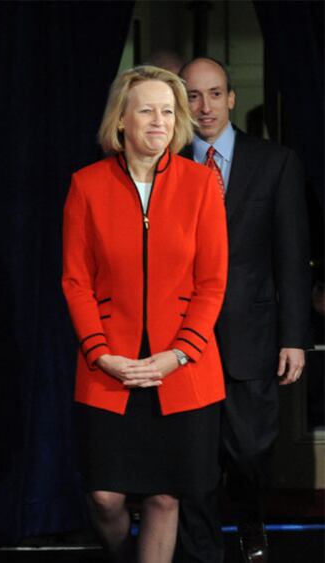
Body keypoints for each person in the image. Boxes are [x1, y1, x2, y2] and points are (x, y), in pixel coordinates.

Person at [62, 65, 228, 563]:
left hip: (182, 369)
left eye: (168, 111)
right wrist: (101, 354)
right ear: (121, 122)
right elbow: (76, 281)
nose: (160, 121)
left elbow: (212, 283)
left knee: (163, 495)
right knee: (105, 498)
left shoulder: (201, 185)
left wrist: (179, 354)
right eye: (147, 110)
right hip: (109, 368)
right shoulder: (86, 186)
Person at [177, 57, 311, 563]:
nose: (204, 106)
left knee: (251, 451)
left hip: (250, 335)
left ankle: (250, 514)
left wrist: (294, 336)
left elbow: (291, 257)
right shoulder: (167, 164)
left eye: (214, 94)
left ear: (232, 98)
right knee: (195, 461)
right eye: (193, 95)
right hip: (184, 338)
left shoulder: (275, 163)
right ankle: (204, 550)